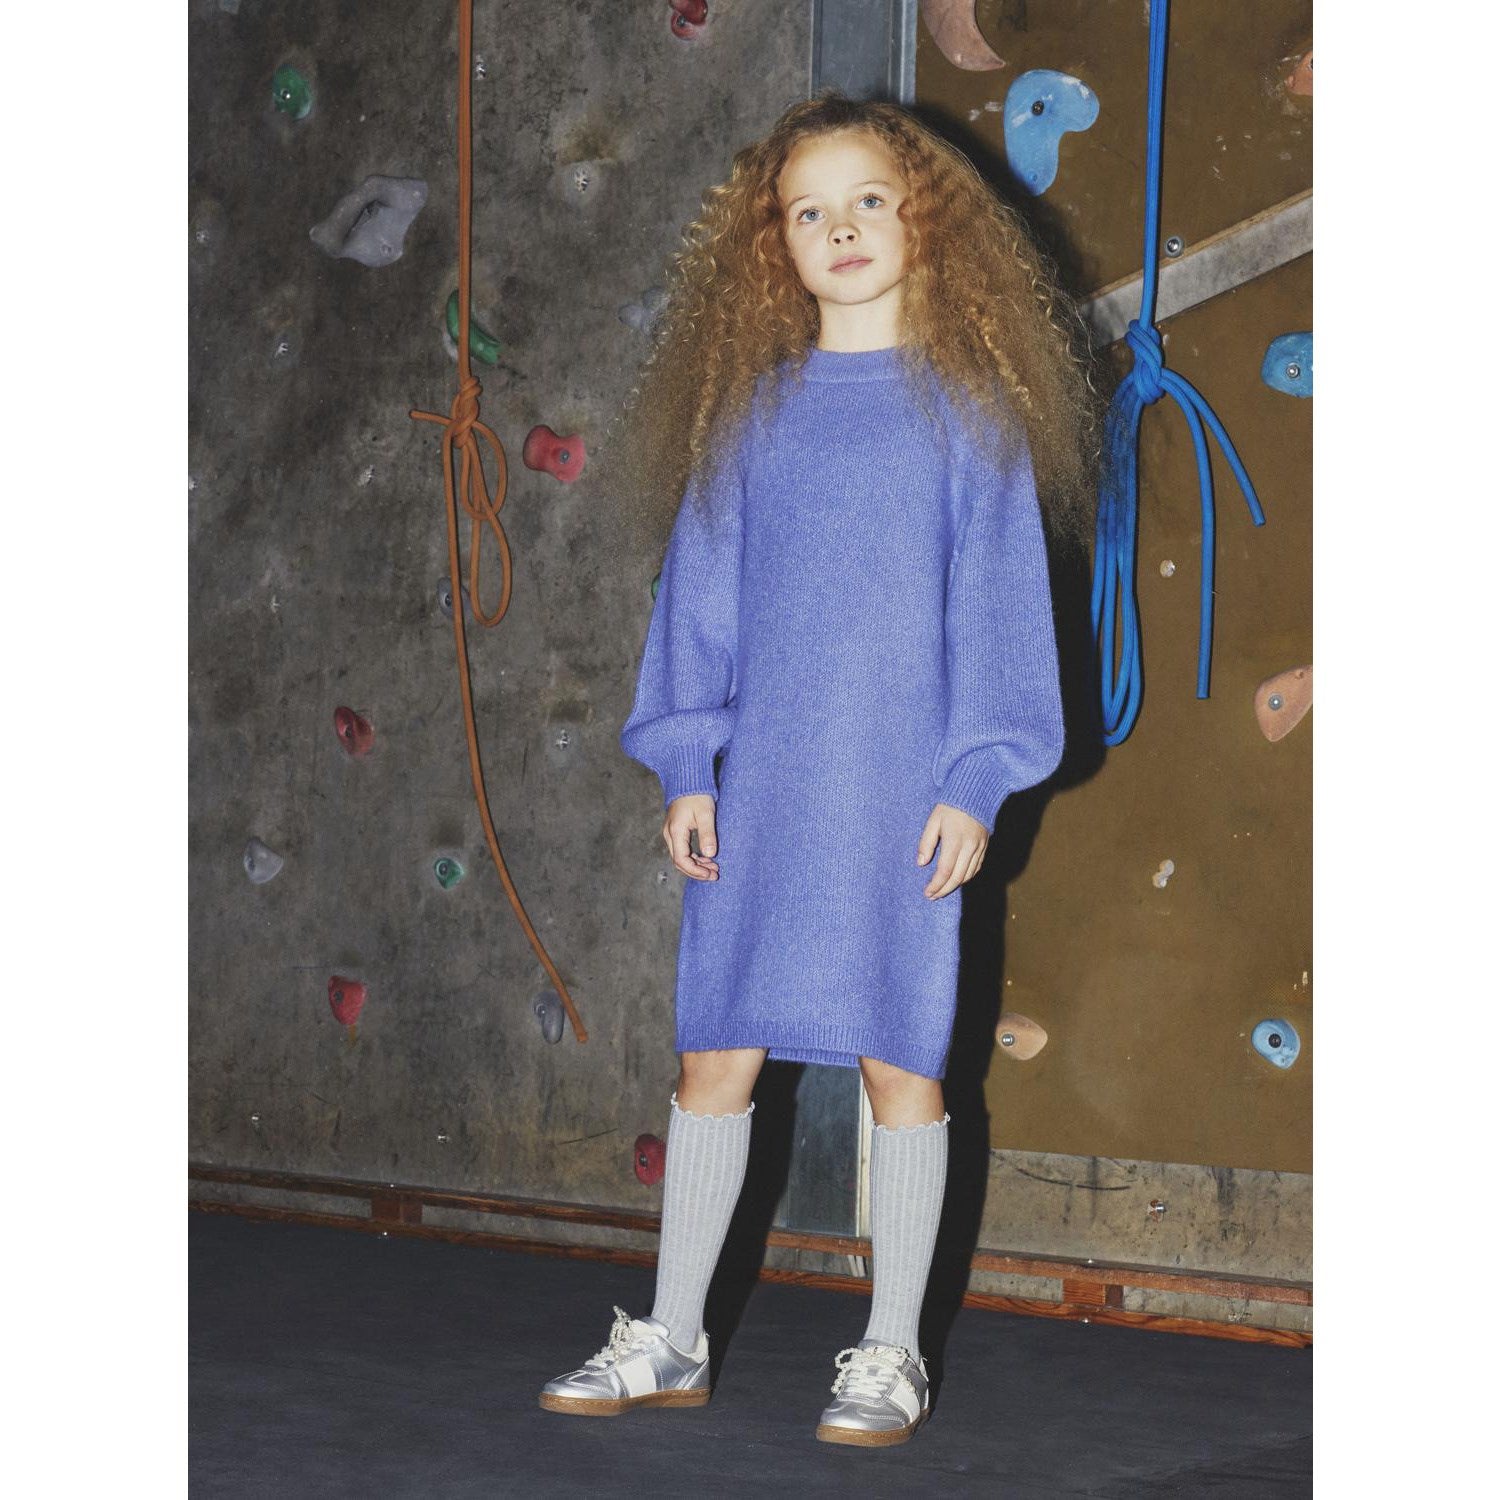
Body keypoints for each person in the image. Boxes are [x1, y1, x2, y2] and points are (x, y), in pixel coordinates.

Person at [539, 90, 1099, 1447]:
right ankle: (671, 1335)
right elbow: (698, 611)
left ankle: (892, 1350)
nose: (840, 229)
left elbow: (1002, 627)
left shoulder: (972, 418)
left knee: (904, 1063)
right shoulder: (749, 417)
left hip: (904, 803)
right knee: (712, 1057)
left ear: (925, 222)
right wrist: (687, 763)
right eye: (808, 211)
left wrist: (975, 782)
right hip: (765, 799)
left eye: (868, 201)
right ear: (770, 246)